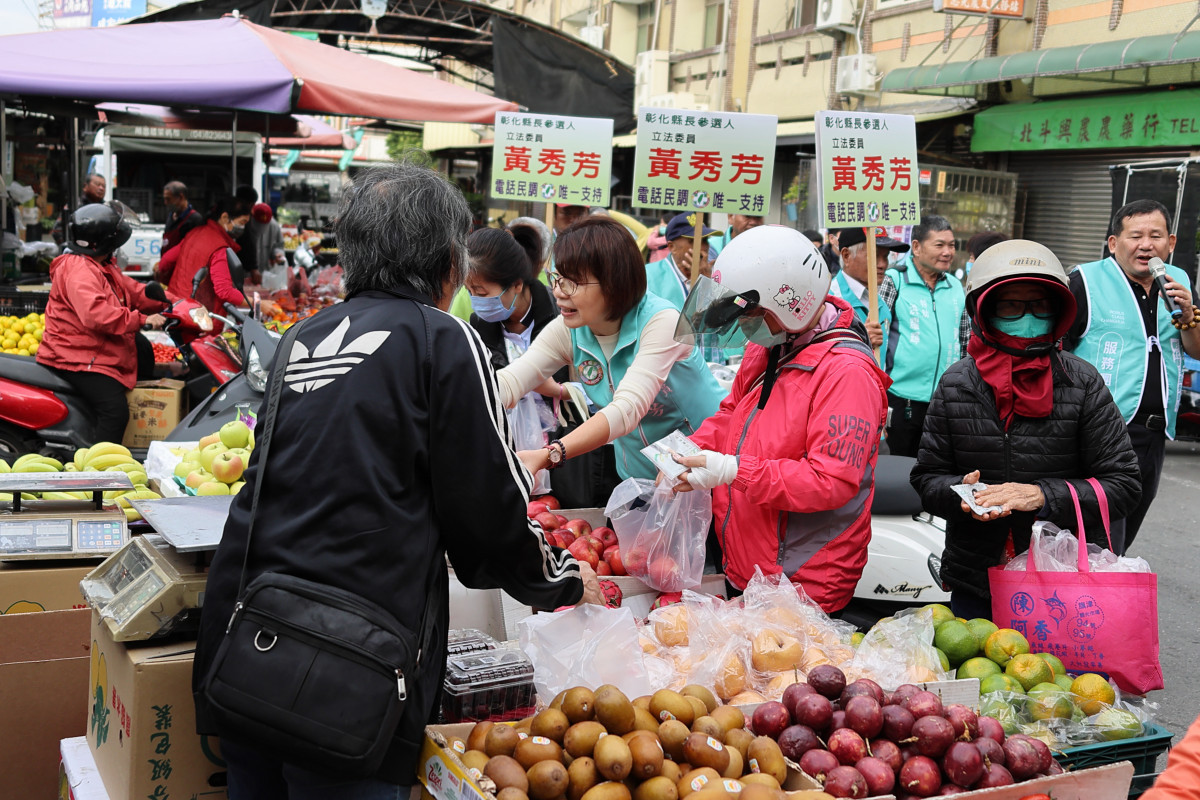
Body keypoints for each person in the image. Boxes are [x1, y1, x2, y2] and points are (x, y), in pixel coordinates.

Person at [192, 162, 601, 800]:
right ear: (447, 263)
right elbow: (487, 515)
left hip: (249, 649)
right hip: (348, 674)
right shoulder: (444, 340)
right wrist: (563, 580)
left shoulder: (302, 334)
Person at [910, 239, 1141, 619]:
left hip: (1063, 582)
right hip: (977, 577)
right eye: (1011, 306)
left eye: (1039, 306)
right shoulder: (956, 384)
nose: (1028, 318)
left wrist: (1041, 495)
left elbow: (1124, 485)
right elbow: (926, 479)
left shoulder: (1082, 382)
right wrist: (961, 495)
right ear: (984, 312)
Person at [668, 226, 890, 613]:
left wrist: (734, 471)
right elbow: (732, 412)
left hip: (803, 579)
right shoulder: (770, 342)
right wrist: (688, 450)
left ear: (790, 301)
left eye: (751, 312)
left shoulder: (847, 372)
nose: (744, 323)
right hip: (748, 562)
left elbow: (830, 481)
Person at [496, 216, 725, 481]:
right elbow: (513, 380)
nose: (558, 291)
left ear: (614, 283)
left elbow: (626, 410)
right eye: (555, 278)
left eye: (572, 282)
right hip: (638, 477)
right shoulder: (570, 328)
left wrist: (551, 454)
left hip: (702, 473)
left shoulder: (661, 321)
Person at [1065, 200, 1200, 553]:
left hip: (1154, 432)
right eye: (1136, 236)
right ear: (1113, 243)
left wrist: (1189, 316)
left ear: (1171, 242)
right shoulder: (1084, 282)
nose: (1146, 245)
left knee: (1123, 536)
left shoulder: (1178, 281)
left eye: (1156, 236)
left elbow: (1196, 350)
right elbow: (1056, 352)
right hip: (1098, 432)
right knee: (1102, 540)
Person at [37, 203, 169, 444]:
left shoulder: (101, 265)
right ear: (106, 242)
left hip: (91, 349)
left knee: (142, 348)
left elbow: (133, 291)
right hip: (75, 356)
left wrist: (170, 302)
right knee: (115, 411)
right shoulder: (78, 270)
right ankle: (98, 463)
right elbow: (96, 314)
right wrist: (142, 319)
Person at [879, 215, 968, 457]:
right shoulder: (895, 280)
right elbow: (878, 339)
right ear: (916, 247)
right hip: (900, 399)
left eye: (951, 245)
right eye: (939, 245)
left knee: (934, 464)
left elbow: (965, 341)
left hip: (944, 401)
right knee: (898, 465)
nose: (947, 252)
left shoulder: (956, 287)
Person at [155, 198, 247, 324]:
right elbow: (224, 291)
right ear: (225, 218)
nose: (243, 227)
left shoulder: (194, 233)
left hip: (175, 307)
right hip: (199, 317)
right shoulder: (220, 247)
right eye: (242, 222)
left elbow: (165, 262)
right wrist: (257, 303)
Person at [828, 226, 909, 349]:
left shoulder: (881, 306)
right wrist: (860, 342)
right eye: (874, 256)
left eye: (885, 256)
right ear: (846, 256)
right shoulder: (829, 303)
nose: (882, 264)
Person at [645, 212, 720, 311]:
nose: (703, 247)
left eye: (705, 240)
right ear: (672, 247)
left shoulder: (714, 274)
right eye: (693, 241)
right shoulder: (648, 275)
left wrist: (706, 282)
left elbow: (724, 311)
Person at [51, 172, 106, 246]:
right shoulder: (75, 205)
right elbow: (57, 231)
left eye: (103, 186)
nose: (101, 188)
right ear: (85, 187)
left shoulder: (107, 209)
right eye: (97, 184)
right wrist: (71, 248)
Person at [247, 202, 286, 283]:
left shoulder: (274, 226)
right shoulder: (245, 224)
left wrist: (278, 254)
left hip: (265, 273)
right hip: (246, 275)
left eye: (264, 225)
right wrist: (252, 269)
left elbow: (279, 245)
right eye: (258, 224)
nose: (261, 228)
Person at [161, 181, 203, 252]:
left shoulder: (195, 219)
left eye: (168, 199)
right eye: (164, 199)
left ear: (181, 197)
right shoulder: (171, 216)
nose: (165, 202)